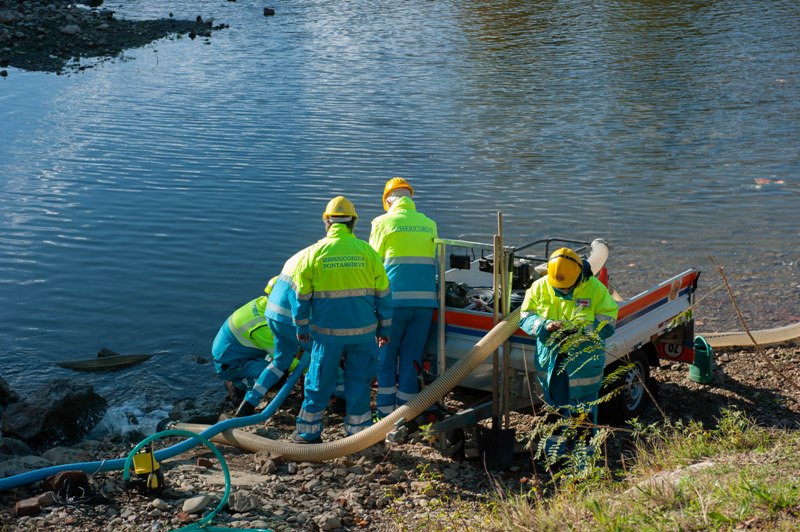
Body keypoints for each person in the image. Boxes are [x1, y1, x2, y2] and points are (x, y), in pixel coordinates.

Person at [292, 196, 392, 443]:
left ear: (327, 221)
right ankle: (358, 435)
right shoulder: (368, 252)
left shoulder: (313, 253)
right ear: (353, 223)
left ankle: (308, 433)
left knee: (318, 382)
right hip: (364, 333)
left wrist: (301, 326)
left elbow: (300, 296)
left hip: (328, 335)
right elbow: (384, 296)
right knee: (359, 382)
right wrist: (384, 329)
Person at [518, 247, 618, 454]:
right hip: (551, 362)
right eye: (559, 288)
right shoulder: (539, 287)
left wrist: (579, 331)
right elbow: (526, 316)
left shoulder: (595, 289)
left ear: (578, 275)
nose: (563, 291)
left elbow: (607, 324)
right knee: (553, 409)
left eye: (567, 288)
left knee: (585, 413)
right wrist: (544, 326)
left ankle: (585, 460)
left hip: (583, 364)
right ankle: (553, 455)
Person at [369, 177, 438, 419]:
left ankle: (384, 415)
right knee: (412, 359)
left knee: (386, 358)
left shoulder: (382, 222)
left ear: (388, 201)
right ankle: (406, 416)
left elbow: (373, 264)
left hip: (393, 303)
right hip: (425, 303)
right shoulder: (429, 224)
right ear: (410, 198)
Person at [232, 250, 310, 417]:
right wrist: (306, 368)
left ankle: (249, 403)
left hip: (254, 346)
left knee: (279, 364)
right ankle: (333, 399)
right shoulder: (260, 325)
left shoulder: (263, 306)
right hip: (235, 363)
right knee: (301, 365)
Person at [211, 282, 276, 414]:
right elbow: (283, 358)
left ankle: (240, 381)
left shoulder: (261, 303)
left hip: (236, 353)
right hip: (230, 363)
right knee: (277, 374)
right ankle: (240, 392)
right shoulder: (261, 326)